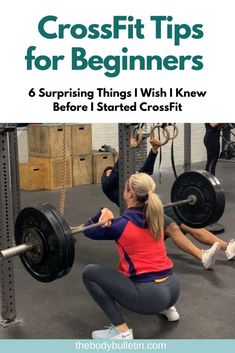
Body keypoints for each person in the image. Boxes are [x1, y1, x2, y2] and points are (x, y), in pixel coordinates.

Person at [101, 138, 235, 271]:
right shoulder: (108, 185)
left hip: (156, 206)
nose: (111, 172)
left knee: (187, 221)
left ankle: (227, 247)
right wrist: (125, 151)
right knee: (172, 227)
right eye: (109, 172)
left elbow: (146, 171)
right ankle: (203, 256)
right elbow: (114, 175)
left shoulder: (131, 178)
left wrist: (154, 150)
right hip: (142, 215)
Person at [82, 173, 180, 339]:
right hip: (173, 288)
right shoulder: (157, 217)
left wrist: (102, 212)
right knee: (127, 268)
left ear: (130, 194)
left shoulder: (121, 225)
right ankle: (168, 309)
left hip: (151, 296)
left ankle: (121, 332)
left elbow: (87, 230)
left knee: (90, 273)